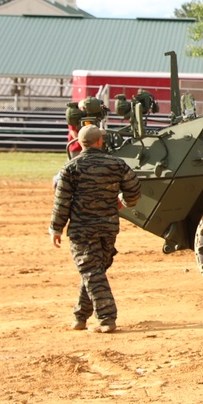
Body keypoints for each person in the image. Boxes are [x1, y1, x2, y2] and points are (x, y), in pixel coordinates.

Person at [49, 125, 141, 333]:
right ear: (100, 141)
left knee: (91, 271)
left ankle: (107, 318)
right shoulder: (117, 164)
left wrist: (56, 228)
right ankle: (80, 316)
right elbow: (134, 188)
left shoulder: (72, 167)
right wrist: (124, 201)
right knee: (94, 270)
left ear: (81, 143)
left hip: (82, 229)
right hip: (108, 228)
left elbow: (61, 201)